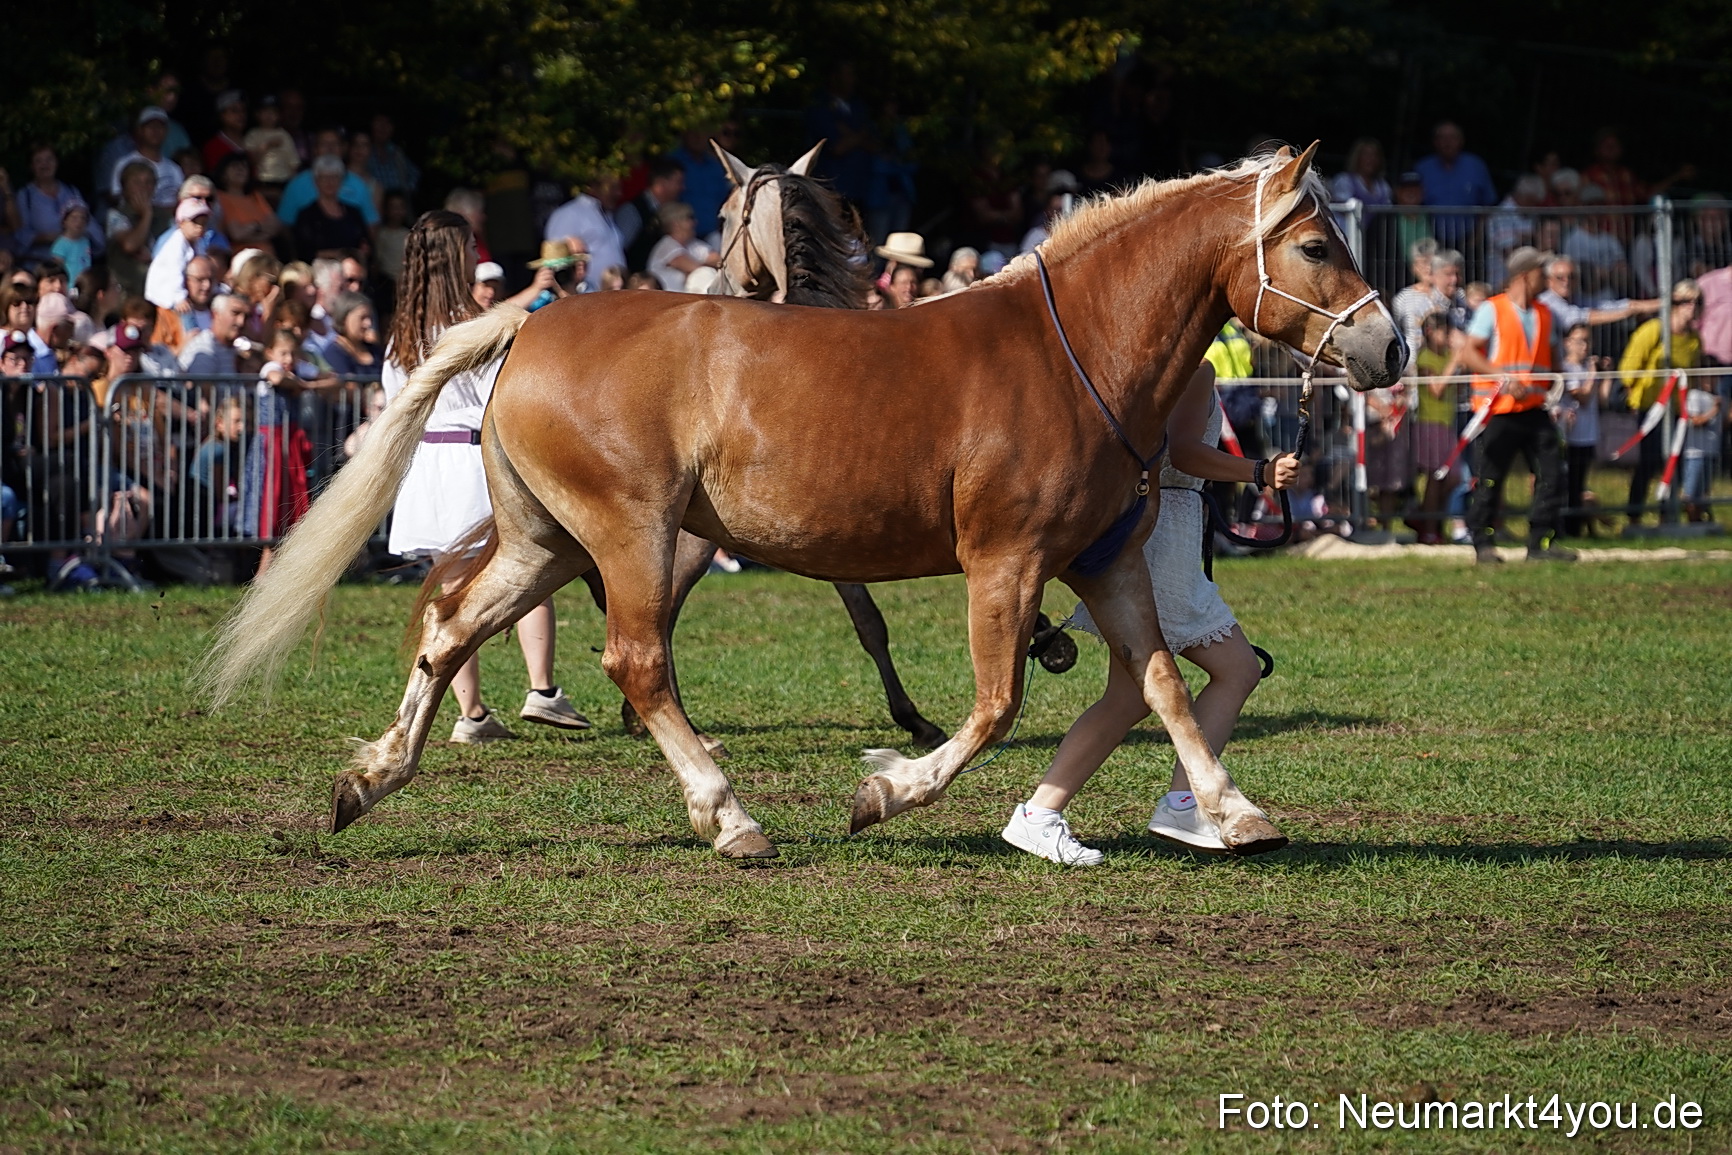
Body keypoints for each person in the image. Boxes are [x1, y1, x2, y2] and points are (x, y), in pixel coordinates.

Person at [1001, 362, 1299, 865]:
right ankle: (1055, 813)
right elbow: (1182, 452)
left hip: (1165, 530)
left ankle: (1149, 805)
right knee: (1218, 674)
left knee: (1150, 691)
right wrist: (1259, 472)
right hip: (1164, 537)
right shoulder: (1192, 371)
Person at [382, 209, 590, 741]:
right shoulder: (464, 324)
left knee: (454, 588)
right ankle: (542, 690)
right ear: (456, 256)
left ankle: (470, 714)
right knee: (528, 575)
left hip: (428, 463)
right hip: (473, 458)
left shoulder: (401, 335)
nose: (477, 253)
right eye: (470, 246)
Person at [1454, 247, 1573, 563]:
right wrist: (1503, 377)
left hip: (1535, 408)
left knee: (1552, 474)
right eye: (1540, 273)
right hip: (1499, 411)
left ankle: (1541, 543)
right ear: (1524, 275)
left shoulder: (1545, 314)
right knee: (1490, 478)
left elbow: (1551, 360)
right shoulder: (1492, 310)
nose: (1545, 279)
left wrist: (1559, 391)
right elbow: (1469, 353)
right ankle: (1482, 542)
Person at [1619, 280, 1703, 523]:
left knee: (1674, 462)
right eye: (1687, 301)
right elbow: (1628, 369)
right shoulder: (1653, 330)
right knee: (1649, 461)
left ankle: (1668, 514)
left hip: (1677, 410)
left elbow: (1694, 375)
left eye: (1698, 302)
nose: (1693, 307)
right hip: (1650, 408)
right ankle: (1634, 515)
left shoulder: (1694, 339)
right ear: (1675, 304)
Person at [1411, 313, 1461, 543]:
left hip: (1447, 423)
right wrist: (1454, 363)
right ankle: (1429, 529)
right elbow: (1436, 390)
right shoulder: (1425, 358)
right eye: (1444, 331)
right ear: (1431, 332)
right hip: (1429, 424)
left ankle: (1423, 518)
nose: (1448, 336)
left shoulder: (1447, 356)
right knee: (1435, 477)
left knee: (1452, 479)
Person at [1556, 323, 1609, 537]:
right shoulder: (1565, 368)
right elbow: (1583, 397)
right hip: (1569, 436)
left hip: (1588, 435)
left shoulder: (1588, 370)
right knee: (1566, 484)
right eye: (1579, 341)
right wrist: (1593, 374)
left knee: (1578, 485)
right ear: (1568, 343)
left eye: (1588, 341)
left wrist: (1605, 376)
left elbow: (1602, 400)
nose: (1584, 346)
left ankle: (1576, 529)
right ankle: (1564, 528)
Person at [276, 130, 382, 232]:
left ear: (344, 148)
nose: (330, 149)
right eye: (324, 144)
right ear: (315, 149)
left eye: (335, 144)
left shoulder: (358, 184)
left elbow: (371, 226)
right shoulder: (296, 184)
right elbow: (284, 226)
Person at [1414, 122, 1496, 251]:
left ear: (1461, 141)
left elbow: (1488, 204)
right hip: (1430, 238)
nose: (1447, 142)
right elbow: (1412, 204)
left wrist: (1478, 234)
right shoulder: (1422, 168)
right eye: (1442, 138)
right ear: (1435, 142)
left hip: (1470, 240)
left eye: (1453, 137)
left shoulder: (1476, 166)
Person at [15, 146, 103, 264]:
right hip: (41, 265)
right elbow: (21, 235)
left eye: (49, 159)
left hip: (76, 265)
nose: (45, 164)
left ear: (56, 163)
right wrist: (52, 237)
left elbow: (92, 227)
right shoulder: (25, 196)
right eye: (38, 161)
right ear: (31, 166)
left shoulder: (72, 191)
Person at [544, 175, 626, 291]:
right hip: (584, 296)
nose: (618, 193)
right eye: (613, 187)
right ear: (593, 186)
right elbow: (557, 257)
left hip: (612, 293)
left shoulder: (606, 214)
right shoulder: (569, 214)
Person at [1540, 255, 1659, 332]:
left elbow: (1612, 306)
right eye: (1560, 277)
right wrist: (1629, 312)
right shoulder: (1548, 302)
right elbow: (1587, 317)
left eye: (1571, 277)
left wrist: (1665, 302)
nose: (1566, 282)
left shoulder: (1576, 299)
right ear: (1548, 281)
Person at [292, 157, 371, 261]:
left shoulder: (354, 213)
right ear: (316, 181)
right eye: (324, 177)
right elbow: (304, 252)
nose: (329, 182)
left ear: (341, 180)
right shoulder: (306, 215)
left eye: (334, 177)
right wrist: (339, 255)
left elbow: (365, 244)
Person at [109, 107, 186, 210]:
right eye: (150, 126)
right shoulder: (124, 163)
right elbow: (116, 196)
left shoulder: (174, 168)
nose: (155, 130)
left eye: (160, 126)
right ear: (140, 130)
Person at [618, 158, 685, 272]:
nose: (682, 188)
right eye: (678, 182)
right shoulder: (632, 211)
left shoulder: (667, 210)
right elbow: (620, 248)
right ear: (661, 183)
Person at [105, 161, 161, 296]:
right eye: (136, 182)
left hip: (158, 288)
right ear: (124, 188)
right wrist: (147, 215)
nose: (143, 188)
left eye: (148, 182)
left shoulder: (165, 216)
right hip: (128, 290)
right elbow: (130, 245)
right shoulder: (115, 215)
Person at [145, 198, 210, 309]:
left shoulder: (197, 242)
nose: (199, 227)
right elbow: (174, 270)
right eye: (194, 222)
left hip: (180, 290)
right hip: (165, 293)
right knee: (185, 312)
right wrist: (179, 297)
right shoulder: (175, 243)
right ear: (181, 223)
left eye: (203, 223)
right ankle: (191, 327)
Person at [213, 152, 284, 253]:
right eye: (235, 166)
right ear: (223, 173)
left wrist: (252, 229)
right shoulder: (221, 198)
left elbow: (275, 226)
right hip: (244, 258)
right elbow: (237, 234)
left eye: (244, 167)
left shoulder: (256, 196)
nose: (240, 169)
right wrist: (259, 226)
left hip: (268, 255)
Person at [646, 203, 718, 291]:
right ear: (676, 224)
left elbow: (719, 261)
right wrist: (709, 267)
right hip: (663, 300)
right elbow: (697, 269)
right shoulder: (666, 245)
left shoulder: (694, 244)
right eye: (689, 218)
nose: (695, 222)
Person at [177, 293, 250, 374]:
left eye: (246, 316)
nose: (241, 322)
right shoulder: (204, 349)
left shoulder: (236, 350)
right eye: (235, 313)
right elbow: (202, 385)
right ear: (215, 314)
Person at [243, 94, 299, 195]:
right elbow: (251, 161)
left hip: (282, 183)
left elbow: (293, 163)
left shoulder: (284, 135)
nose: (269, 115)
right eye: (265, 111)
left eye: (273, 112)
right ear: (257, 114)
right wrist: (267, 145)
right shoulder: (253, 135)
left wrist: (292, 187)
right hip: (262, 182)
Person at [320, 292, 380, 375]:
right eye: (362, 318)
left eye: (369, 317)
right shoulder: (334, 352)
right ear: (344, 319)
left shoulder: (375, 350)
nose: (368, 323)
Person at [366, 113, 420, 197]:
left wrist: (405, 192)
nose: (383, 127)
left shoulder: (397, 153)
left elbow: (415, 174)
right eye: (379, 121)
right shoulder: (363, 151)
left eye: (387, 123)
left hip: (396, 206)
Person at [1329, 137, 1392, 208]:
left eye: (1375, 155)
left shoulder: (1383, 186)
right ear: (1357, 157)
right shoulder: (1344, 180)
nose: (1371, 160)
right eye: (1366, 155)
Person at [202, 91, 248, 173]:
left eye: (243, 110)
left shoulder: (252, 140)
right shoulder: (213, 147)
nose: (241, 115)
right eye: (234, 110)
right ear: (222, 115)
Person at [50, 201, 94, 284]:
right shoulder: (60, 245)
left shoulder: (85, 241)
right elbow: (57, 270)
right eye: (74, 218)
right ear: (64, 221)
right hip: (69, 286)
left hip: (84, 285)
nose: (79, 222)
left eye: (83, 218)